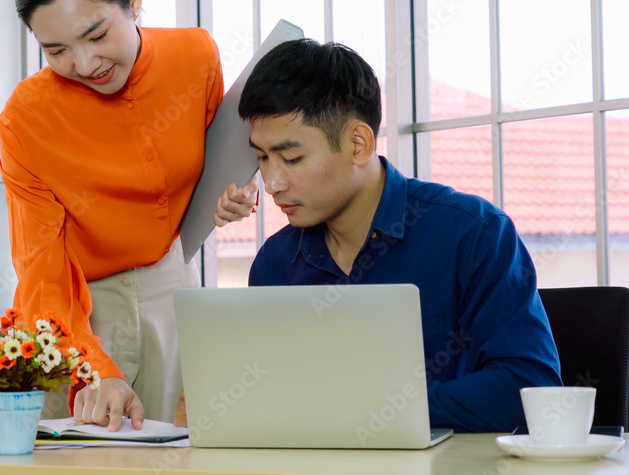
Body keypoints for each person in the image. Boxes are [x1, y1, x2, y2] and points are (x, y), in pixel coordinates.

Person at [222, 38, 561, 433]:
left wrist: (384, 411)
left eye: (292, 158)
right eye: (262, 158)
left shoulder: (473, 234)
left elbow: (531, 388)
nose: (273, 181)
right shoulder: (275, 263)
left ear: (358, 144)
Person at [0, 0, 256, 431]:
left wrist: (231, 198)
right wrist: (93, 367)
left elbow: (216, 161)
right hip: (76, 312)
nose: (86, 63)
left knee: (171, 453)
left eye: (96, 35)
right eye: (56, 51)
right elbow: (40, 267)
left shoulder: (196, 56)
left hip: (172, 286)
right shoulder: (26, 118)